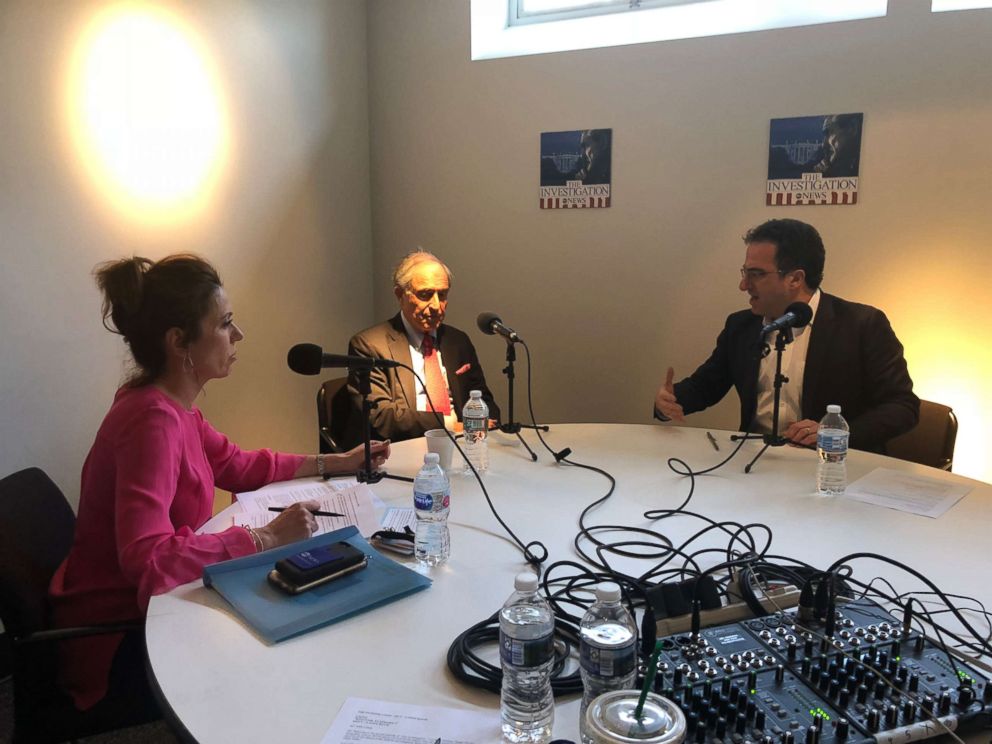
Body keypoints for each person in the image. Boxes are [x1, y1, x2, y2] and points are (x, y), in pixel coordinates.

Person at [48, 255, 389, 722]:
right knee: (282, 648)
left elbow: (238, 464)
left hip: (155, 605)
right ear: (179, 343)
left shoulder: (171, 406)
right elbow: (147, 560)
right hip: (122, 635)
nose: (239, 335)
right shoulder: (151, 420)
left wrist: (337, 461)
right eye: (226, 323)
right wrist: (264, 538)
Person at [653, 219, 918, 453]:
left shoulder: (862, 325)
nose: (744, 285)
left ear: (795, 278)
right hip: (755, 465)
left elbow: (902, 406)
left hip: (833, 469)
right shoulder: (742, 326)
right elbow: (705, 387)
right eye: (745, 273)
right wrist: (668, 401)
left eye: (756, 274)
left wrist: (839, 433)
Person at [345, 250, 500, 445]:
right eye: (426, 295)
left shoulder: (458, 341)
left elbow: (483, 398)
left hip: (465, 444)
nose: (436, 306)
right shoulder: (369, 345)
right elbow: (380, 416)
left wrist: (483, 423)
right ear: (400, 295)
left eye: (442, 295)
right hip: (403, 446)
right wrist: (450, 425)